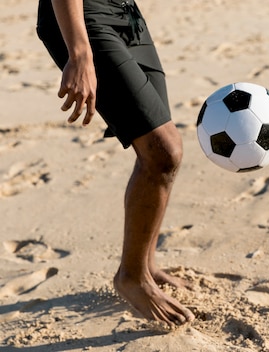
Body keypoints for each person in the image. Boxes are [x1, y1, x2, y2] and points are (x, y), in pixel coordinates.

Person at [36, 0, 195, 327]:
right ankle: (132, 278)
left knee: (156, 154)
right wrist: (80, 52)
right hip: (82, 16)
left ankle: (144, 265)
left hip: (127, 13)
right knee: (164, 151)